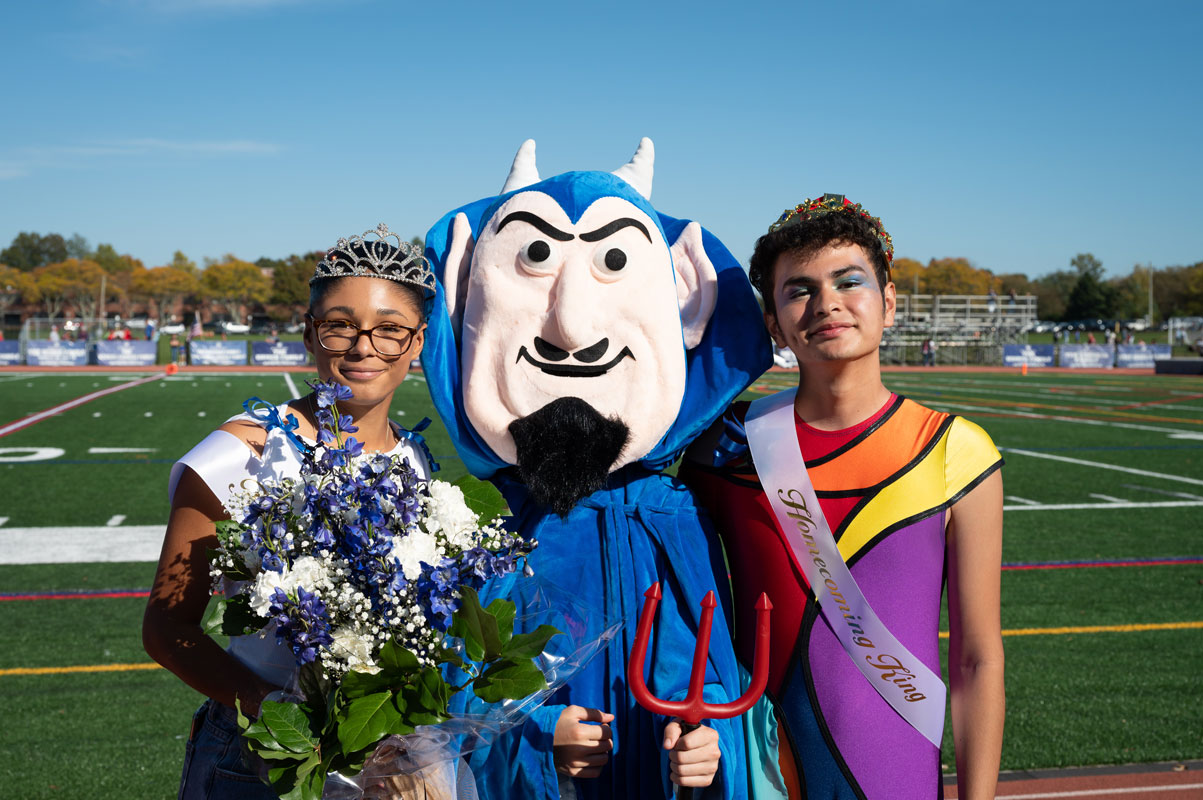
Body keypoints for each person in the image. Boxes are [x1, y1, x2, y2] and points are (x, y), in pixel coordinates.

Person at [681, 194, 1005, 800]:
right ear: (773, 322)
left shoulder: (955, 450)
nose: (826, 302)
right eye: (798, 290)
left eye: (848, 281)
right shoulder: (722, 450)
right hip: (762, 767)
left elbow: (976, 659)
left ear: (887, 302)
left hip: (899, 770)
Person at [143, 224, 438, 799]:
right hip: (259, 756)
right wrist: (279, 716)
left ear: (418, 343)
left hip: (385, 762)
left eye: (389, 331)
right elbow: (166, 627)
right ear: (309, 332)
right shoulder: (244, 448)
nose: (363, 348)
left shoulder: (414, 455)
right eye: (340, 327)